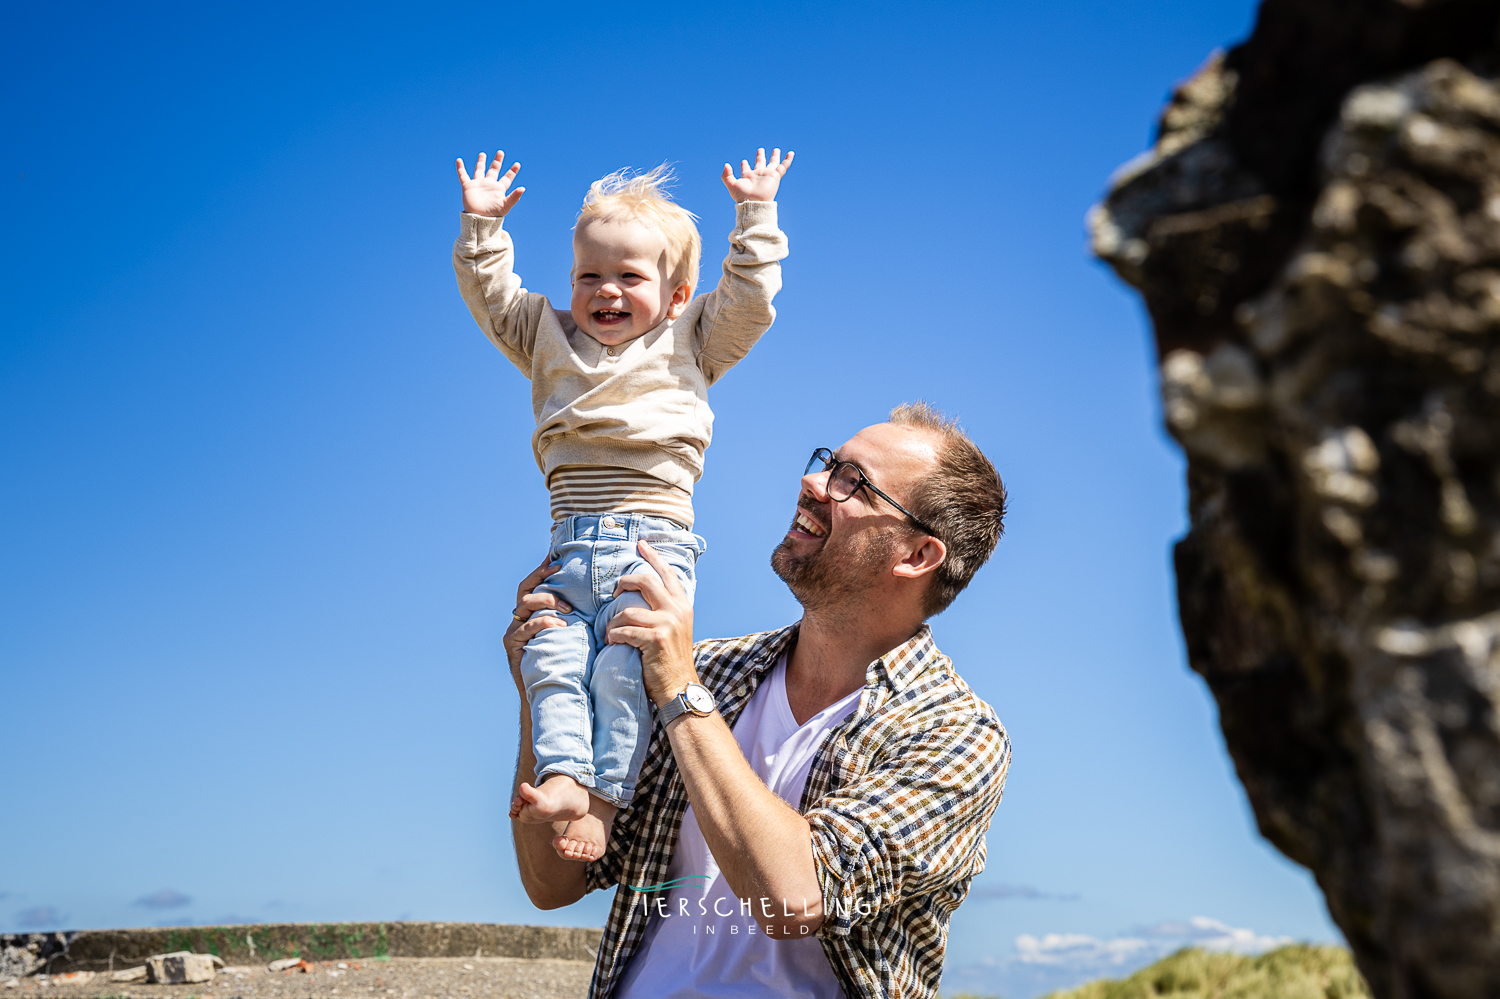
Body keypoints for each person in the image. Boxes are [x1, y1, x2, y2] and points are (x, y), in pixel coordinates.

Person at [506, 403, 1011, 999]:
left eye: (854, 482)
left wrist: (677, 691)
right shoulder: (713, 670)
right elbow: (554, 882)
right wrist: (541, 686)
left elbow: (793, 899)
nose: (813, 482)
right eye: (829, 464)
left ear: (917, 557)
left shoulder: (956, 735)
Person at [452, 147, 793, 863]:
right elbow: (491, 296)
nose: (605, 291)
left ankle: (605, 801)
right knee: (550, 659)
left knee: (623, 672)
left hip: (652, 547)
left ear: (674, 295)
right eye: (588, 275)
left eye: (628, 276)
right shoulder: (548, 337)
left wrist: (754, 216)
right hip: (569, 545)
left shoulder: (693, 338)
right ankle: (565, 777)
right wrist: (482, 226)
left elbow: (750, 301)